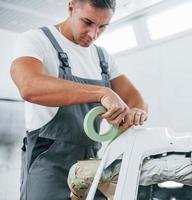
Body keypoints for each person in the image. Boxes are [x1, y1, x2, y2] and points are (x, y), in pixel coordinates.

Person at [10, 0, 148, 199]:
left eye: (102, 27)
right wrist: (102, 92)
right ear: (71, 7)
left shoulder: (103, 57)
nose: (93, 34)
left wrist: (136, 113)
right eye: (87, 22)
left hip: (91, 163)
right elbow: (29, 86)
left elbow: (136, 100)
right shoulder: (36, 40)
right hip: (47, 160)